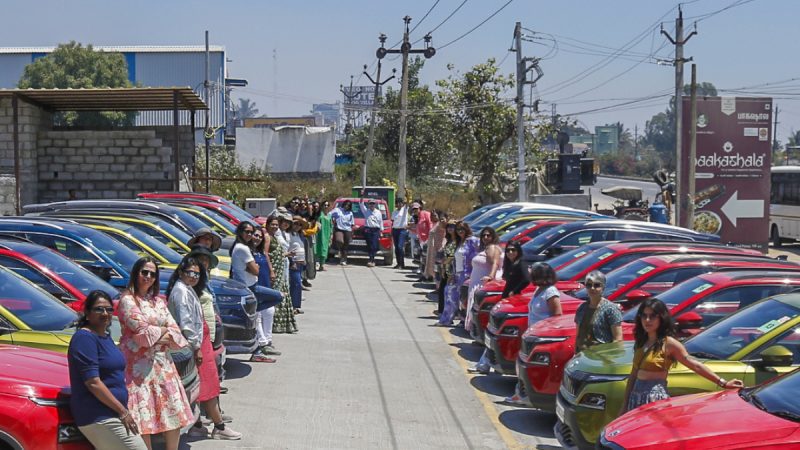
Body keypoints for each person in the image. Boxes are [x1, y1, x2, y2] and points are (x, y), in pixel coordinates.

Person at [117, 257, 193, 450]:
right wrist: (163, 332)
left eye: (152, 274)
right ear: (136, 273)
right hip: (137, 370)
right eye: (144, 272)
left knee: (172, 412)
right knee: (143, 418)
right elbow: (142, 336)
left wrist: (159, 333)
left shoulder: (157, 301)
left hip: (163, 366)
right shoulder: (127, 299)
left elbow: (177, 335)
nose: (148, 277)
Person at [622, 298, 744, 413]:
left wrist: (723, 383)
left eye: (652, 316)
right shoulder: (641, 341)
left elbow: (695, 365)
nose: (647, 320)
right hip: (635, 397)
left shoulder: (669, 343)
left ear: (661, 318)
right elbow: (633, 374)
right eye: (644, 316)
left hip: (655, 398)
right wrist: (625, 405)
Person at [167, 256, 242, 440]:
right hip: (196, 346)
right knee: (206, 386)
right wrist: (197, 347)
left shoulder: (188, 289)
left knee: (200, 386)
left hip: (203, 343)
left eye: (197, 274)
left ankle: (198, 425)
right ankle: (219, 426)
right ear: (181, 272)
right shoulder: (181, 292)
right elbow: (186, 323)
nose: (193, 276)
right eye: (190, 273)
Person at [68, 290, 147, 450]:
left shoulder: (105, 336)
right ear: (87, 313)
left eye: (109, 309)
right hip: (98, 415)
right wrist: (123, 412)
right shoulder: (84, 338)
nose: (105, 313)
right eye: (99, 309)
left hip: (113, 413)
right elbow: (93, 383)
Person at [500, 262, 562, 401]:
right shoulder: (539, 290)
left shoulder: (551, 292)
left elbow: (557, 315)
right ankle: (521, 394)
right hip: (531, 335)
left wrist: (546, 332)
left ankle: (524, 395)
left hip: (542, 337)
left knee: (530, 368)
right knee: (522, 365)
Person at [437, 221, 480, 326]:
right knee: (449, 292)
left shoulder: (472, 241)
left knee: (463, 299)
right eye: (458, 230)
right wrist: (452, 273)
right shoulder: (459, 242)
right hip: (457, 273)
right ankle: (447, 319)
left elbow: (475, 258)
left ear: (467, 230)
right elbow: (456, 259)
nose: (460, 232)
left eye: (462, 229)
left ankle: (463, 320)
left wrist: (471, 274)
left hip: (467, 274)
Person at [249, 229, 281, 359]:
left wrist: (271, 272)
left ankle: (268, 340)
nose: (257, 238)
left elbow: (267, 260)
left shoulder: (261, 251)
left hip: (265, 282)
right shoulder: (248, 252)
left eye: (260, 236)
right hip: (255, 286)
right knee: (257, 315)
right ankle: (262, 343)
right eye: (255, 235)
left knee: (269, 311)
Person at [574, 271, 624, 353]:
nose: (592, 288)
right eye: (589, 285)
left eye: (596, 285)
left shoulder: (611, 309)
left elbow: (618, 339)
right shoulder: (581, 308)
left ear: (603, 287)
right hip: (582, 357)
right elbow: (578, 336)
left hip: (602, 357)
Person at [465, 227, 503, 332]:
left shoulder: (492, 248)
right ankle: (474, 331)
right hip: (476, 282)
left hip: (482, 283)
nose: (485, 237)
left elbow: (495, 263)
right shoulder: (486, 248)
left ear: (493, 237)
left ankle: (477, 331)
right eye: (483, 235)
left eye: (488, 235)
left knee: (478, 309)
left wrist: (490, 277)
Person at [267, 215, 297, 334]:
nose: (274, 226)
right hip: (274, 269)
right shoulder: (267, 237)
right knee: (275, 294)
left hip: (282, 268)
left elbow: (278, 253)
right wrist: (271, 270)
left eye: (276, 224)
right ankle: (273, 324)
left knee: (283, 293)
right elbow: (266, 254)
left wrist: (287, 255)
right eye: (272, 224)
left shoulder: (275, 236)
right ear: (267, 224)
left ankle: (282, 324)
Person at [433, 218, 455, 316]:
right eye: (449, 227)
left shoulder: (457, 240)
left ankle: (449, 312)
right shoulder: (449, 240)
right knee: (442, 289)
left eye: (453, 227)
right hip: (446, 268)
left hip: (453, 269)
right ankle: (442, 310)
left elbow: (452, 256)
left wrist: (445, 263)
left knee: (449, 291)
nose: (450, 229)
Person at [288, 216, 307, 314]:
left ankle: (296, 305)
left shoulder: (299, 235)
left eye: (300, 225)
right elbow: (288, 249)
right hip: (293, 263)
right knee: (296, 284)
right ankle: (293, 306)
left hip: (300, 262)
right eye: (296, 223)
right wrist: (292, 261)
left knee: (298, 285)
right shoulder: (288, 235)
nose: (298, 226)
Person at [411, 202, 432, 279]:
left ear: (420, 208)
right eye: (413, 209)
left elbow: (430, 225)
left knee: (426, 259)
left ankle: (427, 276)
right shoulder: (417, 217)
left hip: (427, 239)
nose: (415, 210)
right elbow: (418, 230)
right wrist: (410, 228)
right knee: (423, 259)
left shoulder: (425, 214)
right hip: (422, 241)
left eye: (416, 209)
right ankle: (424, 275)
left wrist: (430, 238)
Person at [330, 200, 355, 265]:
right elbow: (329, 214)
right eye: (346, 204)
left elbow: (352, 223)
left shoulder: (350, 213)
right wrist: (332, 221)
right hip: (339, 229)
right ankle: (339, 250)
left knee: (346, 246)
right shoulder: (337, 210)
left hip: (348, 230)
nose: (347, 206)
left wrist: (352, 230)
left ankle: (343, 259)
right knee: (339, 241)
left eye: (348, 205)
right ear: (344, 204)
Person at [423, 210, 445, 281]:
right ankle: (430, 277)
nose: (433, 217)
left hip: (437, 246)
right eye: (432, 215)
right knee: (430, 263)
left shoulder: (440, 224)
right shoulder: (434, 224)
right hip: (431, 247)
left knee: (435, 265)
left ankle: (436, 281)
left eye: (435, 215)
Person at [363, 199, 383, 267]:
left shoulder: (378, 212)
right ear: (368, 205)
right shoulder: (366, 211)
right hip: (368, 229)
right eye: (370, 204)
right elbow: (361, 203)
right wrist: (362, 195)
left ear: (375, 205)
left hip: (376, 230)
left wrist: (381, 231)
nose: (372, 205)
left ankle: (372, 259)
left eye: (373, 204)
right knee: (369, 245)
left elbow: (381, 222)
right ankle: (371, 259)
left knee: (374, 245)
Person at [391, 198, 410, 269]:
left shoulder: (404, 210)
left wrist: (406, 191)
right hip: (395, 230)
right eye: (397, 203)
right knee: (396, 248)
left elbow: (408, 201)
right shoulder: (394, 212)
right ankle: (398, 263)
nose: (399, 204)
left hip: (402, 230)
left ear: (402, 204)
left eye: (400, 203)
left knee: (400, 247)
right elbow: (392, 222)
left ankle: (402, 263)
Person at [314, 201, 332, 272]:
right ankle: (315, 264)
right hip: (319, 234)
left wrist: (331, 235)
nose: (326, 206)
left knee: (325, 249)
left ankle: (322, 265)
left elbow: (331, 226)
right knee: (318, 249)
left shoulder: (329, 216)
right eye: (325, 205)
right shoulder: (320, 214)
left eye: (328, 205)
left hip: (326, 235)